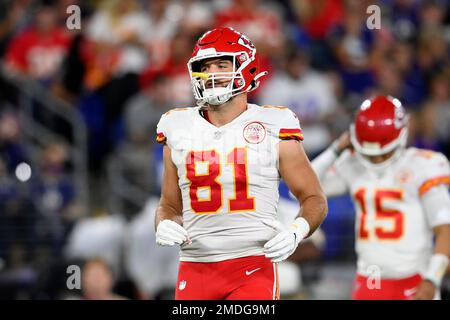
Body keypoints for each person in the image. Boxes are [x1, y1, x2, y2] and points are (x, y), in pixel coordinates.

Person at [154, 27, 327, 300]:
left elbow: (314, 197)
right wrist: (163, 223)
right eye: (205, 67)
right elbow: (169, 205)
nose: (212, 74)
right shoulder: (177, 126)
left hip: (252, 264)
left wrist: (297, 231)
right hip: (194, 266)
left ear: (246, 68)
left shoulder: (274, 125)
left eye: (222, 64)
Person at [311, 96, 450, 300]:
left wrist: (432, 280)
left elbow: (445, 230)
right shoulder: (353, 164)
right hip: (370, 278)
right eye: (369, 154)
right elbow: (304, 188)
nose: (375, 159)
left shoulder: (423, 166)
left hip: (416, 279)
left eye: (383, 154)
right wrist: (336, 148)